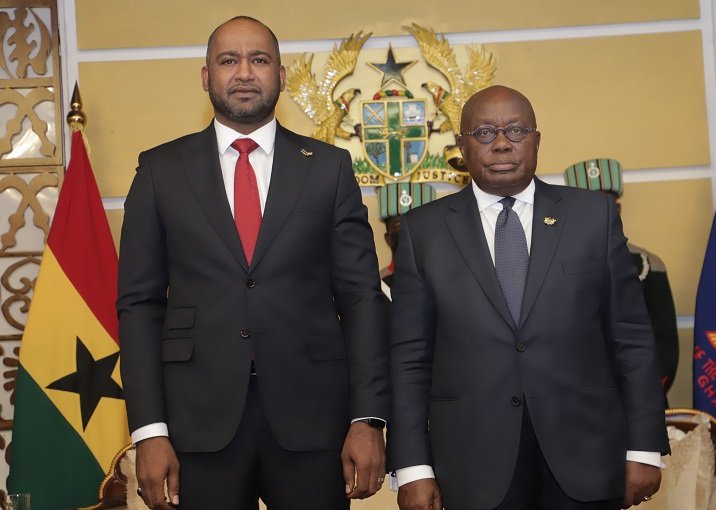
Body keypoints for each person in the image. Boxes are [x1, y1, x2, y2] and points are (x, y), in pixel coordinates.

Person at [117, 16, 389, 510]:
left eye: (259, 60)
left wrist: (368, 418)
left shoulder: (328, 169)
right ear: (206, 78)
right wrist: (149, 431)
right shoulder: (159, 171)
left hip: (315, 423)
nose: (245, 72)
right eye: (229, 60)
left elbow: (361, 297)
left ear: (281, 76)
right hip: (196, 428)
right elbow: (139, 305)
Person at [388, 85, 669, 510]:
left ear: (537, 140)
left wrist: (644, 447)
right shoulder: (422, 232)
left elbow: (631, 337)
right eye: (483, 133)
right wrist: (413, 467)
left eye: (516, 130)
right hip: (472, 466)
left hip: (588, 459)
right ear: (462, 147)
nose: (501, 143)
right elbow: (409, 358)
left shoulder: (593, 217)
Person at [563, 159, 680, 403]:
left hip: (642, 400)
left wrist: (642, 392)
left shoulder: (649, 264)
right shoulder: (553, 266)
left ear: (619, 210)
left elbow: (665, 343)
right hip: (580, 404)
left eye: (608, 206)